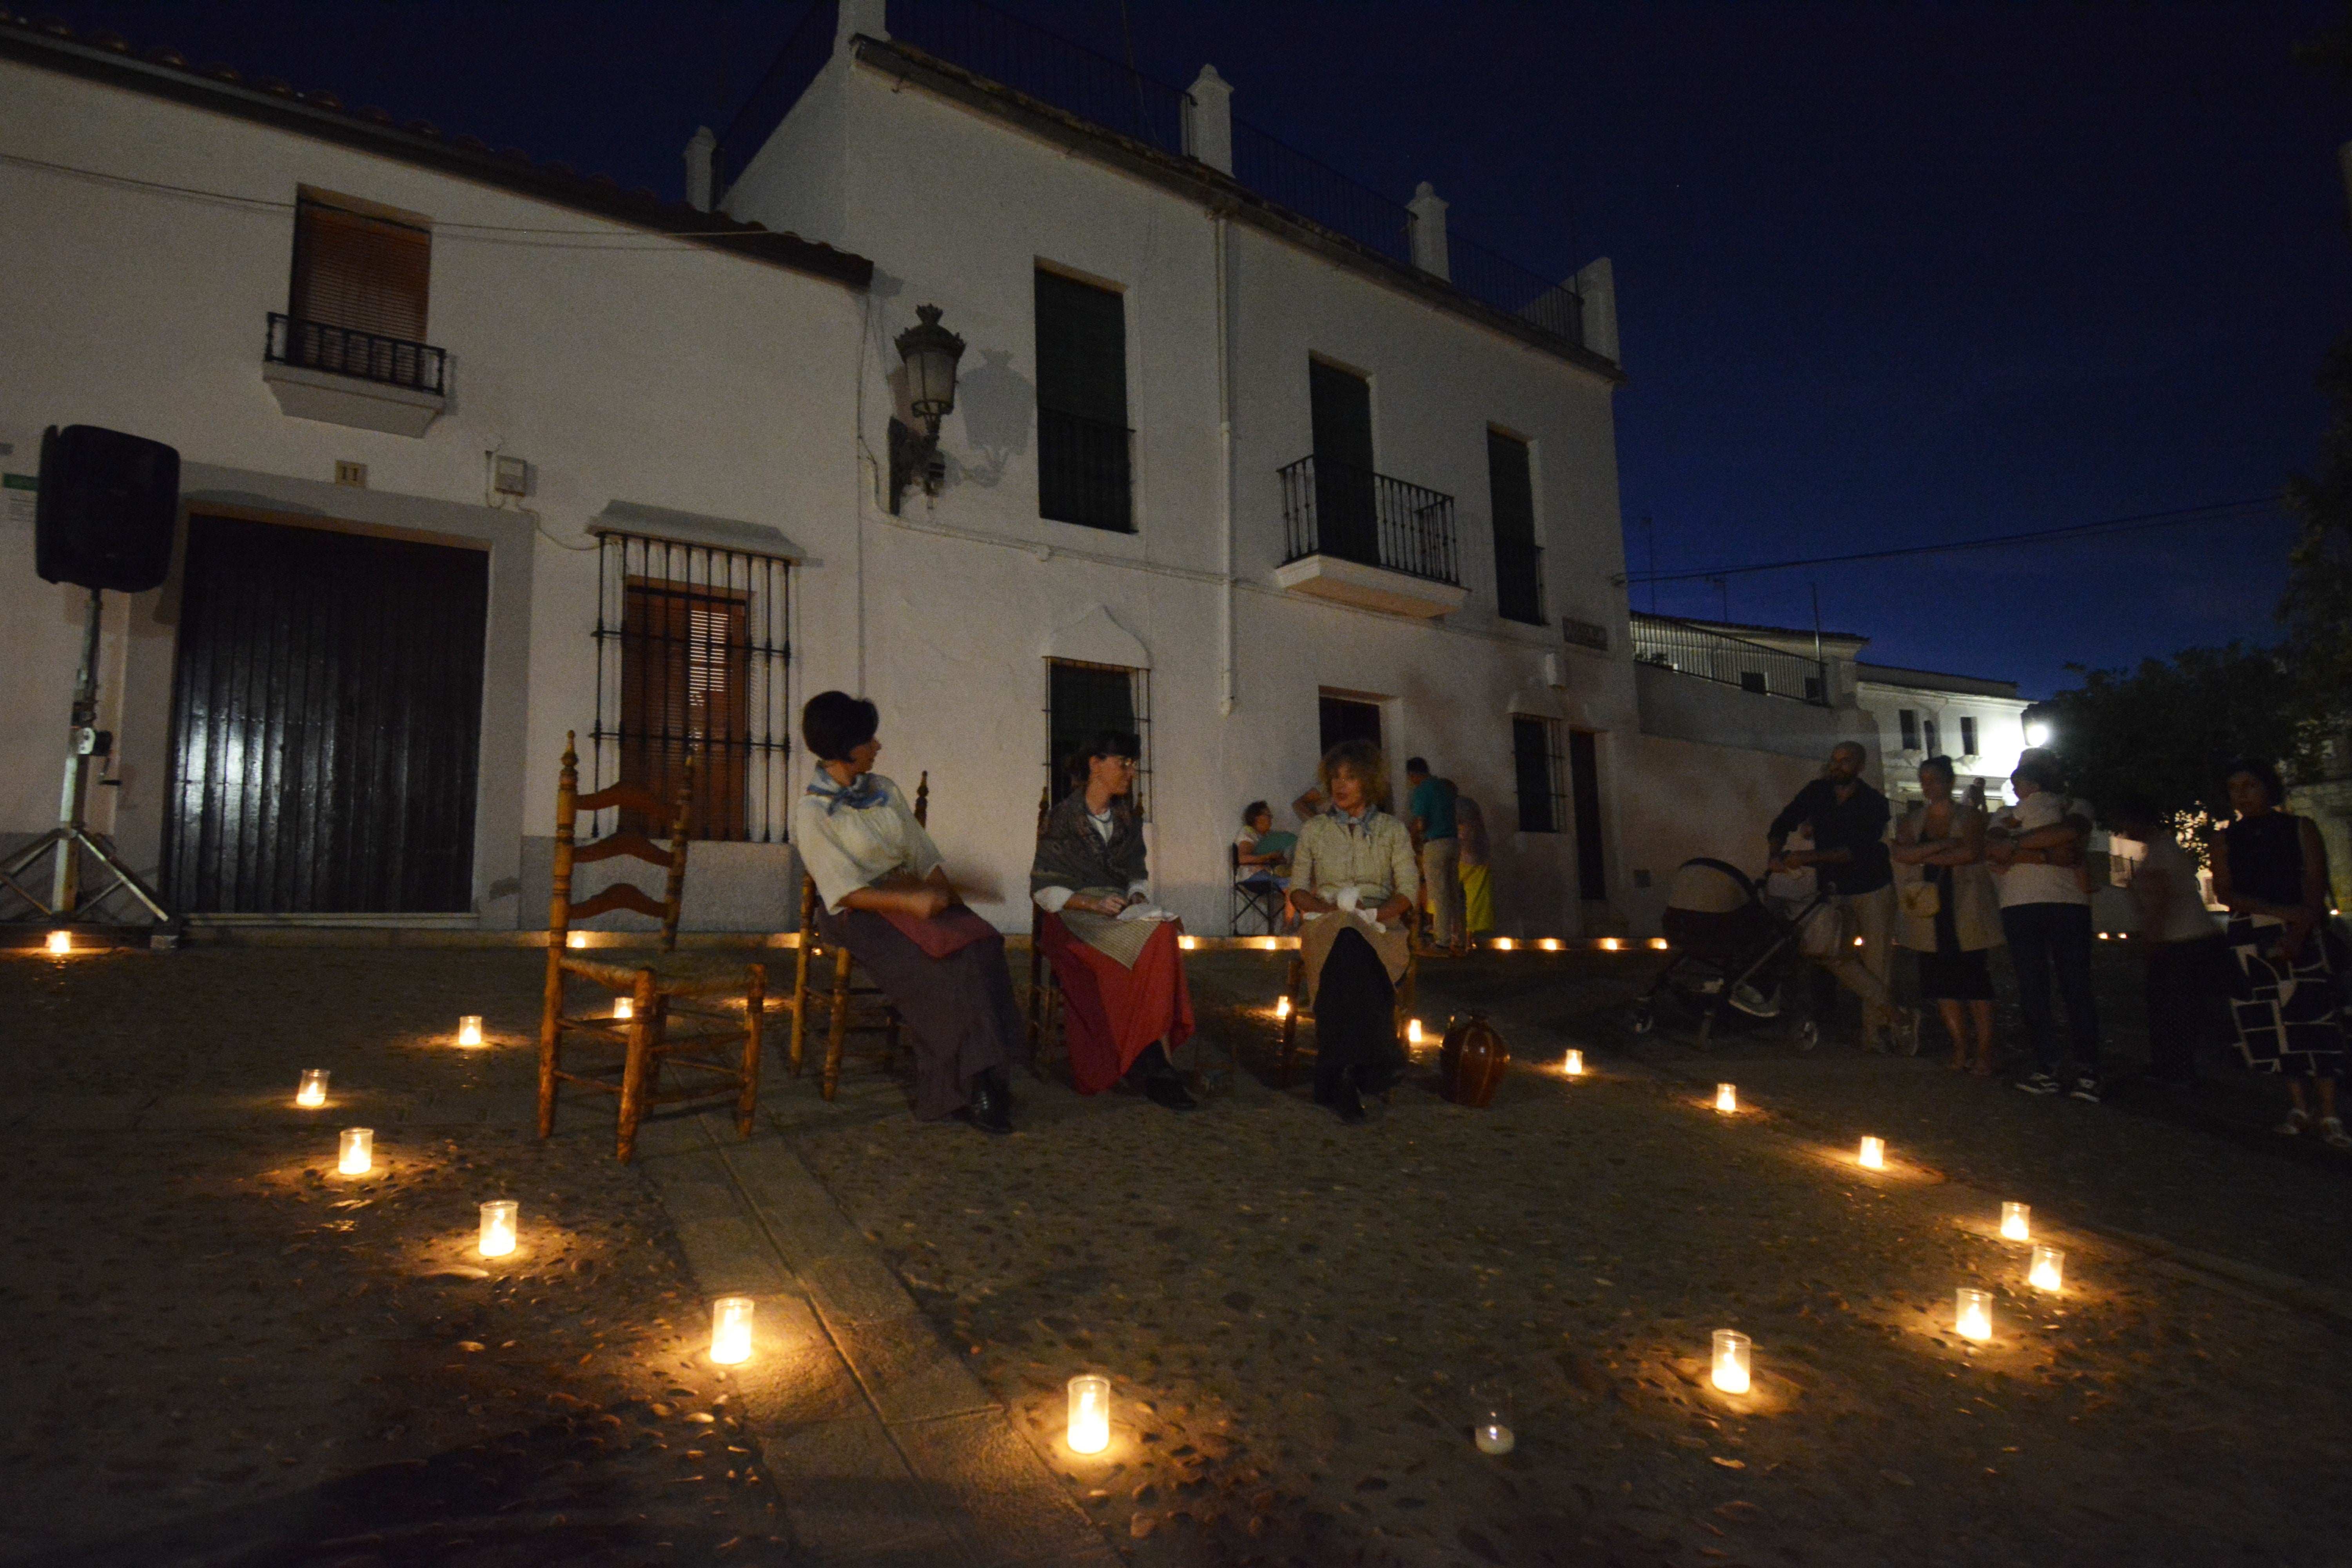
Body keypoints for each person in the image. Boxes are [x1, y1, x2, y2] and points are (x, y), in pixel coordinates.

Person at [791, 691, 1022, 1135]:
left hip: (908, 895)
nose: (877, 746)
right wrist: (909, 903)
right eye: (868, 739)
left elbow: (922, 854)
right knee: (940, 968)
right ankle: (965, 1087)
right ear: (843, 746)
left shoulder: (885, 790)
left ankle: (992, 1071)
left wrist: (940, 892)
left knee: (982, 943)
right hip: (861, 912)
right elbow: (844, 890)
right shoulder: (814, 811)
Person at [1031, 732, 1198, 1111]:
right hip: (1072, 918)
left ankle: (1152, 1057)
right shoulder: (1063, 818)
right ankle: (1149, 1063)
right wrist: (1091, 904)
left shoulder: (1126, 820)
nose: (1131, 771)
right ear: (1095, 764)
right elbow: (1043, 888)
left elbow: (1137, 873)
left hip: (1116, 915)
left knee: (1162, 933)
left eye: (1133, 764)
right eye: (1123, 763)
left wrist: (1137, 897)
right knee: (1139, 950)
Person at [2210, 759, 2348, 1148]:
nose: (2242, 794)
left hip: (2302, 930)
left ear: (2268, 787)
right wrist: (2283, 916)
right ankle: (2299, 1106)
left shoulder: (2299, 828)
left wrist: (2298, 929)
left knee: (2315, 1018)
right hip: (2253, 932)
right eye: (2234, 787)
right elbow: (2226, 892)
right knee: (2272, 1021)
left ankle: (2330, 1111)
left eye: (2250, 785)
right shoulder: (2225, 838)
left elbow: (2315, 882)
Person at [1289, 739, 1419, 1124]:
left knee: (1355, 940)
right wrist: (1327, 909)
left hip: (1379, 925)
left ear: (1370, 781)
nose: (1340, 785)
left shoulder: (1392, 830)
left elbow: (1408, 892)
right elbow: (1298, 889)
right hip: (1327, 923)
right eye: (1335, 778)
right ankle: (1374, 1061)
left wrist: (1375, 913)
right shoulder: (1314, 830)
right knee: (1345, 935)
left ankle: (1336, 1072)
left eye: (1351, 777)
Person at [1766, 740, 1911, 1051]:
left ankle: (1873, 1035)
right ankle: (1895, 1014)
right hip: (1834, 890)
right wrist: (1775, 853)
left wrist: (1805, 858)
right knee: (1829, 952)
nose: (1837, 765)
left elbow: (1852, 853)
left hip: (1873, 888)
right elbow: (1783, 821)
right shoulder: (1817, 792)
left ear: (1861, 766)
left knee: (1877, 963)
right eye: (1834, 760)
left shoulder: (1874, 803)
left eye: (1846, 761)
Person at [1987, 750, 2101, 1100]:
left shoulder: (2074, 806)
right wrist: (2046, 855)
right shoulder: (2005, 814)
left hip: (2067, 904)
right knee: (2033, 988)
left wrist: (2016, 847)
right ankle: (2047, 1066)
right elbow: (1993, 848)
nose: (2017, 782)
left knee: (2075, 986)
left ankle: (2088, 1070)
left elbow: (2072, 834)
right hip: (2020, 905)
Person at [2105, 792, 2226, 1091]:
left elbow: (2161, 898)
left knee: (2173, 1008)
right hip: (2184, 937)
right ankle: (2173, 1066)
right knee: (2172, 1007)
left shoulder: (2158, 849)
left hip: (2182, 940)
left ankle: (2176, 1069)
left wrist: (2152, 937)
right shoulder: (2155, 847)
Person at [1892, 758, 2004, 1074]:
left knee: (1975, 980)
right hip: (1929, 911)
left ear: (1949, 781)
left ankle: (1984, 1052)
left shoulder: (1969, 817)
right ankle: (1960, 1049)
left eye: (1935, 779)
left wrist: (1927, 853)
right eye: (1924, 780)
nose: (1929, 786)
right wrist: (1947, 846)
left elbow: (1969, 852)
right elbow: (1902, 853)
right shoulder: (1912, 820)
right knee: (1941, 984)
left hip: (1965, 905)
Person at [1405, 757, 1464, 955]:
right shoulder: (1444, 788)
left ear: (1413, 775)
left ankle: (1442, 942)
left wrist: (1409, 839)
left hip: (1435, 843)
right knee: (1453, 893)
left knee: (1439, 894)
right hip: (1454, 842)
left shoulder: (1422, 790)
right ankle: (1459, 940)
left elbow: (1420, 822)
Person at [1456, 792, 1494, 939]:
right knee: (1476, 899)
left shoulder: (1451, 806)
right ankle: (1469, 937)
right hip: (1480, 855)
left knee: (1445, 895)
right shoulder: (1471, 805)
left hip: (1459, 856)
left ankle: (1449, 935)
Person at [1234, 801, 1295, 885]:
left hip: (1268, 874)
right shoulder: (1249, 833)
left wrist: (1278, 858)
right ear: (1257, 818)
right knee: (1292, 886)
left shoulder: (1269, 835)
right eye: (1268, 815)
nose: (1271, 818)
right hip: (1252, 876)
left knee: (1300, 882)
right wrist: (1268, 856)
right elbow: (1242, 859)